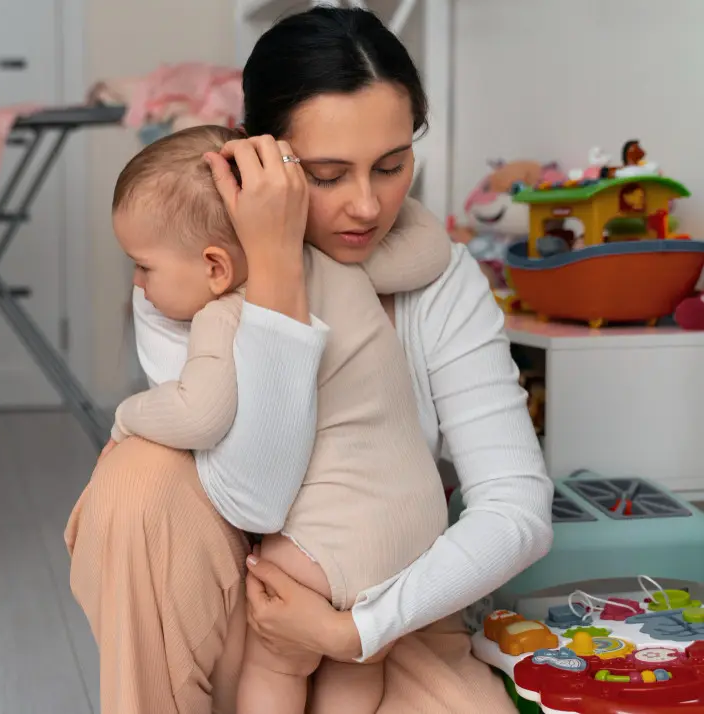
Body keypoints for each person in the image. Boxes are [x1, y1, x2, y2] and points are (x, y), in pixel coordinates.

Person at [66, 7, 554, 714]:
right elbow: (253, 498)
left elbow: (518, 509)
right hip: (242, 596)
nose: (366, 205)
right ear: (257, 157)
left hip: (387, 601)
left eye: (392, 166)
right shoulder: (191, 274)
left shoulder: (437, 278)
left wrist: (356, 629)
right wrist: (273, 279)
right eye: (328, 174)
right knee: (138, 477)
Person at [103, 124, 453, 713]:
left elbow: (200, 413)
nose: (137, 284)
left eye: (143, 267)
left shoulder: (224, 315)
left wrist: (125, 417)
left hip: (330, 540)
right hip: (419, 521)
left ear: (216, 268)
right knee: (355, 663)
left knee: (276, 660)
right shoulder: (339, 260)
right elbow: (431, 248)